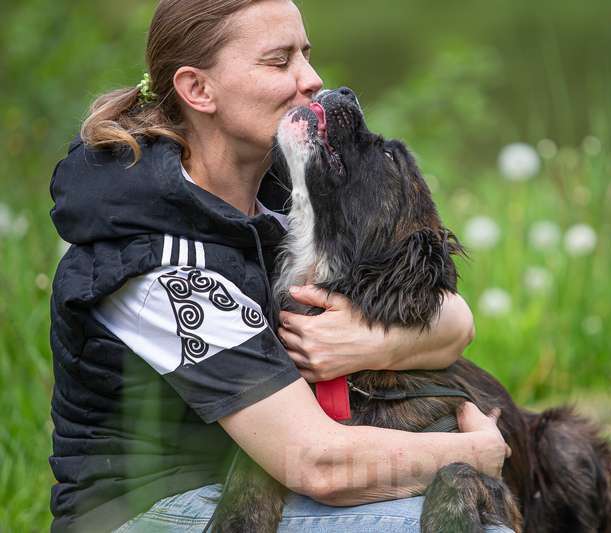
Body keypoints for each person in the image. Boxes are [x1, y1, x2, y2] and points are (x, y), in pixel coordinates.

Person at [48, 1, 512, 531]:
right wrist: (475, 454)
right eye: (279, 60)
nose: (313, 79)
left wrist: (376, 343)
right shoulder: (156, 262)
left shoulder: (268, 195)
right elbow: (317, 462)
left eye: (306, 55)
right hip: (153, 508)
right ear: (199, 90)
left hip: (256, 481)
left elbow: (454, 317)